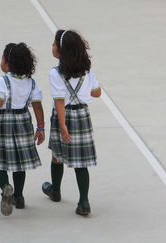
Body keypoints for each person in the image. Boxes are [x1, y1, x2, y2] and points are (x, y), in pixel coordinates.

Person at [42, 30, 102, 216]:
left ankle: (56, 190)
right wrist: (86, 90)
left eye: (54, 44)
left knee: (57, 155)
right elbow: (97, 92)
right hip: (82, 115)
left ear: (61, 51)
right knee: (81, 161)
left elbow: (59, 100)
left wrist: (62, 125)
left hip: (64, 116)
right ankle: (83, 201)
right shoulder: (87, 70)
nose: (51, 46)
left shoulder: (55, 73)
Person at [0, 43, 44, 216]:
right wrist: (40, 127)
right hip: (23, 122)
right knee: (20, 164)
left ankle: (6, 187)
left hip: (6, 122)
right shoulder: (31, 83)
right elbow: (37, 107)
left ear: (8, 63)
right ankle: (19, 196)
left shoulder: (3, 80)